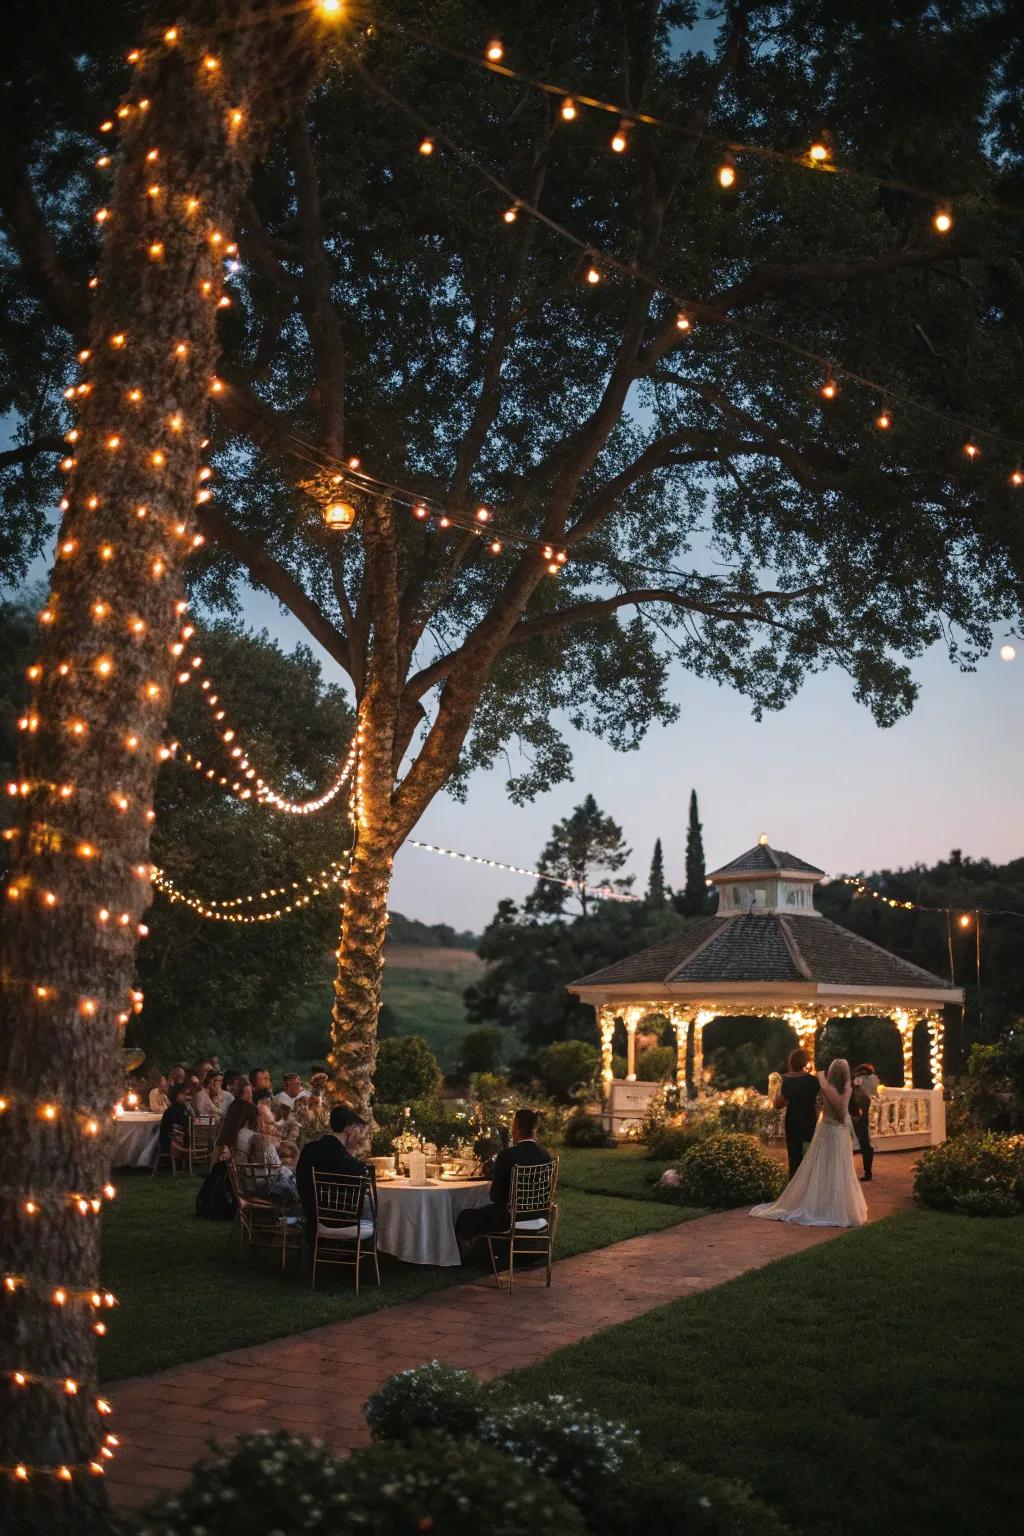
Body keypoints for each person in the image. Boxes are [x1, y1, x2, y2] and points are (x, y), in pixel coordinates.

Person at [750, 1059, 868, 1228]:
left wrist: (820, 1078)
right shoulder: (842, 1088)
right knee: (834, 1166)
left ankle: (828, 1205)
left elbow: (841, 1114)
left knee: (832, 1166)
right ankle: (832, 1204)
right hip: (835, 1133)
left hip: (832, 1132)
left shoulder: (830, 1087)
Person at [455, 1108, 553, 1260]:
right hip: (540, 1216)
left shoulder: (508, 1155)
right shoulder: (546, 1155)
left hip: (511, 1217)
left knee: (466, 1217)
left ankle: (469, 1257)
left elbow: (495, 1196)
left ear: (516, 1128)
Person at [295, 1106, 369, 1231]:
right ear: (349, 1128)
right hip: (339, 1220)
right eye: (359, 1129)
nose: (359, 1135)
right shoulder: (341, 1158)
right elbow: (362, 1176)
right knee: (378, 1206)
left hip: (311, 1217)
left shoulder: (310, 1149)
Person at [775, 1048, 820, 1178]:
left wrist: (779, 1086)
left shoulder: (787, 1082)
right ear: (805, 1063)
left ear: (790, 1063)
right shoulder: (813, 1081)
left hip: (793, 1123)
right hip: (810, 1122)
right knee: (810, 1157)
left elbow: (777, 1105)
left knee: (794, 1159)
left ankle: (794, 1189)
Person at [851, 1062, 878, 1180]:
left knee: (860, 1142)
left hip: (855, 1112)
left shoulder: (857, 1080)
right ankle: (868, 1171)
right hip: (864, 1112)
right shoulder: (873, 1079)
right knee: (865, 1142)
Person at [157, 1083, 190, 1161]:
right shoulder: (172, 1111)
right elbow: (171, 1130)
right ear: (176, 1095)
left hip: (179, 1136)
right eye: (183, 1094)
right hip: (170, 1141)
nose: (186, 1096)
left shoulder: (183, 1108)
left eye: (187, 1094)